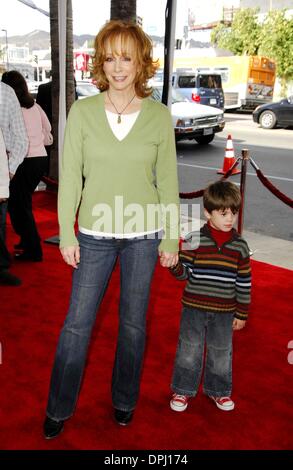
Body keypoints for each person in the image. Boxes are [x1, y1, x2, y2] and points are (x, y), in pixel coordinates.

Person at [43, 19, 180, 439]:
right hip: (95, 235)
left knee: (134, 325)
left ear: (141, 63)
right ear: (100, 64)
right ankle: (59, 407)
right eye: (110, 57)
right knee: (76, 325)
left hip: (144, 234)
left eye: (127, 57)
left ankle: (124, 401)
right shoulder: (82, 111)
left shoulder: (158, 116)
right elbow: (71, 179)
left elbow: (169, 182)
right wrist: (67, 232)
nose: (118, 67)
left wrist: (171, 236)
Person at [169, 181, 251, 413]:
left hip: (225, 311)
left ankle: (219, 391)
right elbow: (184, 273)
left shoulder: (241, 246)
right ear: (207, 212)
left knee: (221, 351)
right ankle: (183, 389)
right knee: (189, 348)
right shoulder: (194, 239)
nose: (229, 219)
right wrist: (174, 265)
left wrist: (242, 312)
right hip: (194, 307)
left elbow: (244, 282)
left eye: (233, 213)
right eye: (223, 213)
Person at [2, 71, 52, 262]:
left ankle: (33, 249)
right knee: (23, 204)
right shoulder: (35, 107)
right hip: (40, 159)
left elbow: (9, 138)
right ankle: (27, 241)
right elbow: (48, 130)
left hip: (24, 160)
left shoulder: (13, 109)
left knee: (19, 207)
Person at [0, 81, 28, 285]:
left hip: (2, 164)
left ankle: (0, 267)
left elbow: (21, 137)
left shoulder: (6, 92)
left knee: (0, 223)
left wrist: (8, 171)